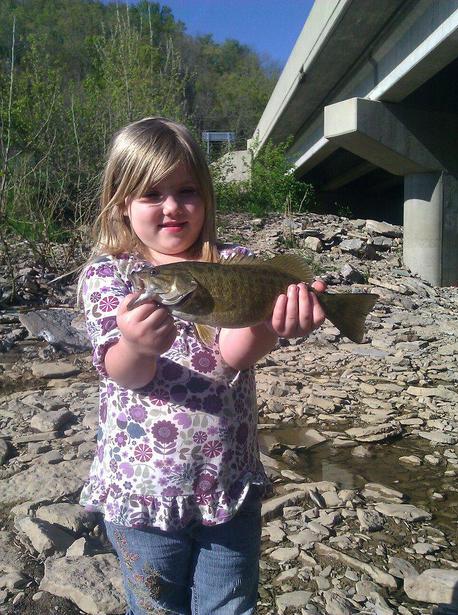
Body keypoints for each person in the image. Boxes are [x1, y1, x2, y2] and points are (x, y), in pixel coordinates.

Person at [79, 116, 326, 615]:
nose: (172, 207)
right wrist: (137, 345)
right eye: (151, 194)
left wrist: (277, 323)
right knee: (155, 607)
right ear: (122, 204)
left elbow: (231, 355)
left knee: (230, 604)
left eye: (186, 191)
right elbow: (122, 371)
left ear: (207, 198)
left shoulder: (235, 262)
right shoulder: (110, 276)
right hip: (143, 492)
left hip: (227, 484)